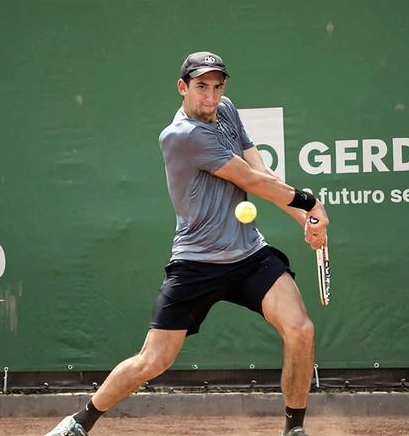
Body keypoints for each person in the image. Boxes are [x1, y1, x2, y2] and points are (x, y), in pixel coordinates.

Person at [46, 51, 329, 436]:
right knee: (153, 361)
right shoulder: (182, 136)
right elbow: (251, 181)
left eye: (216, 87)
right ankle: (79, 422)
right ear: (183, 88)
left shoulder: (225, 110)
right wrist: (310, 202)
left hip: (249, 254)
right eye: (201, 87)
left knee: (301, 330)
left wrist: (305, 221)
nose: (210, 97)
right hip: (196, 263)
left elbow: (261, 170)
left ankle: (294, 429)